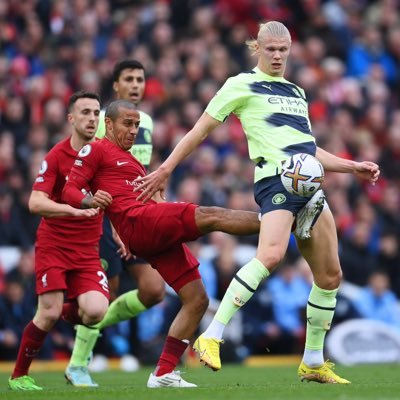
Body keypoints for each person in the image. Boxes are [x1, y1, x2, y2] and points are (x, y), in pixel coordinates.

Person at [134, 21, 380, 384]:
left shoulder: (297, 92)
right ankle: (212, 336)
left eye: (283, 49)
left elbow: (308, 150)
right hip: (274, 180)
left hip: (308, 182)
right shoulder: (239, 85)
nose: (278, 55)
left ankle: (312, 361)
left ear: (290, 49)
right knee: (271, 255)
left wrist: (351, 166)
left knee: (330, 276)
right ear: (257, 49)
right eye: (271, 50)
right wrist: (166, 169)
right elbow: (199, 130)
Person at [62, 99, 261, 388]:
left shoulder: (131, 161)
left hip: (145, 230)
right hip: (141, 223)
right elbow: (69, 188)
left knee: (197, 299)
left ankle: (164, 373)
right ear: (109, 124)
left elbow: (142, 195)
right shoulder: (95, 149)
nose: (133, 131)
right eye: (127, 124)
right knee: (211, 215)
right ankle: (280, 221)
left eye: (137, 126)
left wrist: (152, 207)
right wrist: (89, 200)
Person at [65, 60, 165, 387]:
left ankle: (82, 335)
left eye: (141, 79)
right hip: (105, 217)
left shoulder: (145, 122)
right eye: (129, 79)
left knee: (153, 291)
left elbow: (143, 170)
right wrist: (107, 220)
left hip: (137, 213)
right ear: (116, 86)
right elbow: (87, 170)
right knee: (106, 294)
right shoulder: (102, 121)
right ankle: (79, 362)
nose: (136, 85)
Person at [8, 91, 110, 391]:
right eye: (85, 113)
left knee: (96, 311)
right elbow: (35, 202)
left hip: (87, 250)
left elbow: (114, 200)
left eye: (95, 113)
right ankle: (19, 376)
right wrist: (71, 210)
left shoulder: (105, 155)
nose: (92, 119)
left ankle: (56, 314)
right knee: (48, 312)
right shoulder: (56, 156)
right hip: (54, 245)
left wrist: (121, 233)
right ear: (71, 119)